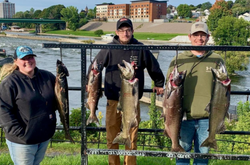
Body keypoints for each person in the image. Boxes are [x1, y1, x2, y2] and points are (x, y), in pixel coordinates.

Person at [86, 17, 165, 165]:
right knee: (111, 137)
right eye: (122, 30)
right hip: (113, 101)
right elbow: (94, 68)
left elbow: (153, 66)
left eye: (128, 30)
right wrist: (88, 84)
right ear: (117, 32)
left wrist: (159, 83)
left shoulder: (141, 48)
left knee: (131, 138)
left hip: (133, 101)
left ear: (132, 31)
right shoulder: (108, 48)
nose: (125, 33)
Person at [166, 22, 227, 165]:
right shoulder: (178, 60)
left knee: (202, 158)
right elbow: (168, 88)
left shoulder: (217, 60)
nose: (199, 38)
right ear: (189, 37)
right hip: (183, 117)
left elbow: (224, 89)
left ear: (208, 37)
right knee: (182, 156)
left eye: (203, 35)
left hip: (207, 118)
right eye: (196, 35)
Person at [0, 46, 57, 165]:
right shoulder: (10, 83)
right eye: (23, 58)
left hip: (43, 136)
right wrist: (20, 134)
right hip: (22, 141)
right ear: (15, 61)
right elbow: (3, 110)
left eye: (30, 57)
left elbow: (59, 100)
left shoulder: (48, 77)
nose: (28, 61)